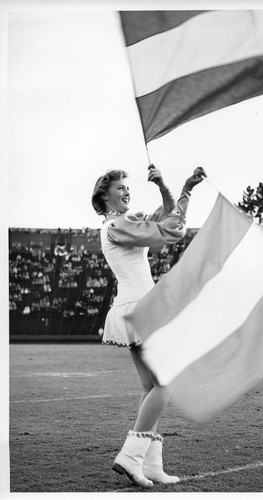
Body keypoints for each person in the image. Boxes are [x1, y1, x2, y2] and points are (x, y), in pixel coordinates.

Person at [91, 164, 206, 488]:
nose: (127, 191)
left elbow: (166, 215)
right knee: (165, 383)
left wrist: (179, 187)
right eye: (120, 188)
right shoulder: (120, 224)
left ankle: (151, 464)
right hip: (140, 309)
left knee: (151, 386)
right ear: (105, 196)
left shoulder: (121, 223)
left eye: (128, 187)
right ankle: (131, 456)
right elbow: (172, 228)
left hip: (134, 308)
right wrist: (176, 188)